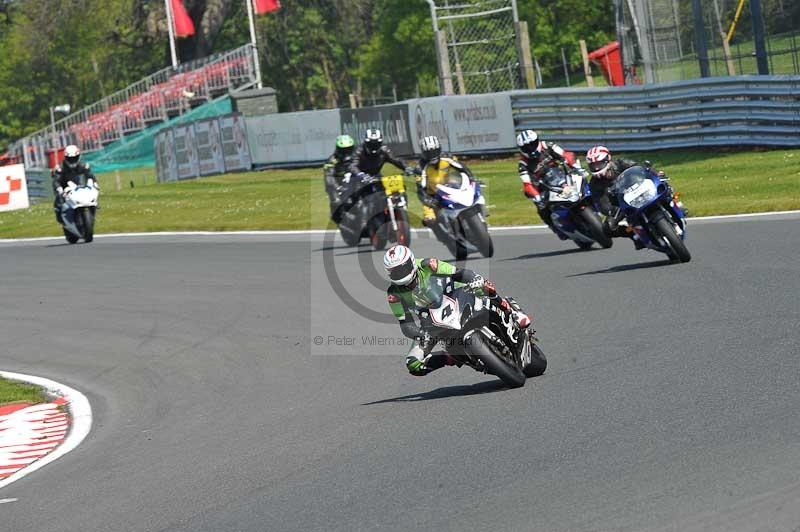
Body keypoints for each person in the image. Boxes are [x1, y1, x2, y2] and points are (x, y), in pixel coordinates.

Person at [383, 244, 531, 376]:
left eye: (402, 269)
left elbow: (458, 273)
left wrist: (474, 279)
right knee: (413, 364)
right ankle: (452, 357)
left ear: (410, 263)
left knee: (483, 286)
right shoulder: (393, 294)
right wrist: (421, 334)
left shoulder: (428, 264)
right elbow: (405, 323)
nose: (400, 275)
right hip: (431, 321)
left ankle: (511, 311)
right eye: (394, 272)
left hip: (456, 294)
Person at [585, 145, 683, 248]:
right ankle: (634, 234)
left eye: (598, 163)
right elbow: (601, 203)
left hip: (640, 189)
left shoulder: (621, 163)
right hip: (622, 203)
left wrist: (656, 173)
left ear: (608, 160)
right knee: (607, 228)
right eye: (593, 165)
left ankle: (674, 205)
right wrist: (611, 210)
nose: (596, 167)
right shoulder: (594, 184)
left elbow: (641, 170)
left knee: (662, 186)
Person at [515, 130, 584, 231]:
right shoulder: (523, 164)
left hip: (560, 175)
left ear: (537, 141)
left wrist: (575, 166)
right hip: (544, 187)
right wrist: (537, 197)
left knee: (581, 180)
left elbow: (565, 154)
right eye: (527, 147)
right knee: (542, 208)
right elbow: (527, 184)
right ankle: (555, 227)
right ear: (521, 149)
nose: (531, 149)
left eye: (532, 144)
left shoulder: (547, 146)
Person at [414, 135, 473, 238]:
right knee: (430, 220)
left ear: (439, 149)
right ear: (423, 153)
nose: (432, 155)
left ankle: (477, 218)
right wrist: (428, 201)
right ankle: (444, 238)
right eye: (428, 153)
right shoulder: (420, 167)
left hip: (450, 188)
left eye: (435, 151)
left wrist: (472, 178)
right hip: (432, 196)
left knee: (469, 198)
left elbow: (462, 168)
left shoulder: (447, 157)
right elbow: (420, 189)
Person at [52, 145, 97, 224]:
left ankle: (92, 214)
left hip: (80, 187)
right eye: (70, 159)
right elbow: (56, 180)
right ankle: (62, 218)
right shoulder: (60, 168)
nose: (72, 160)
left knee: (93, 199)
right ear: (66, 157)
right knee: (59, 201)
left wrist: (94, 184)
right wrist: (59, 189)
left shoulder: (83, 165)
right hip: (65, 188)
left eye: (74, 158)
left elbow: (90, 176)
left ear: (78, 156)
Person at [323, 134, 356, 222]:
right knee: (337, 201)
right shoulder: (332, 161)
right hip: (339, 186)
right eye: (344, 150)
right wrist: (337, 188)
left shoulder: (356, 157)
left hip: (355, 185)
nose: (347, 152)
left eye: (349, 149)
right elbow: (329, 178)